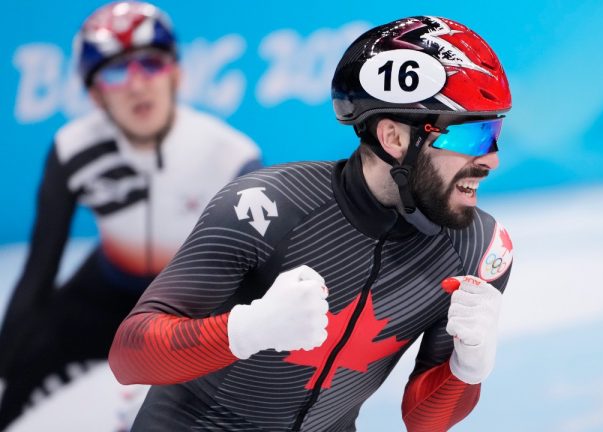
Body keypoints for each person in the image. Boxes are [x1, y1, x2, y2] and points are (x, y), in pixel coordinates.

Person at [109, 15, 513, 432]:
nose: (491, 158)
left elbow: (424, 421)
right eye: (471, 136)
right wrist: (246, 329)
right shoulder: (267, 207)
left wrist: (467, 368)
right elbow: (129, 356)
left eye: (495, 130)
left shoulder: (478, 250)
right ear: (393, 138)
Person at [0, 1, 262, 429]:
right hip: (104, 293)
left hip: (190, 305)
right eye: (117, 72)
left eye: (151, 65)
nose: (137, 85)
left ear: (177, 74)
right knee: (20, 367)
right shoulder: (72, 150)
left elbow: (255, 281)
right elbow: (38, 273)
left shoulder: (232, 157)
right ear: (95, 94)